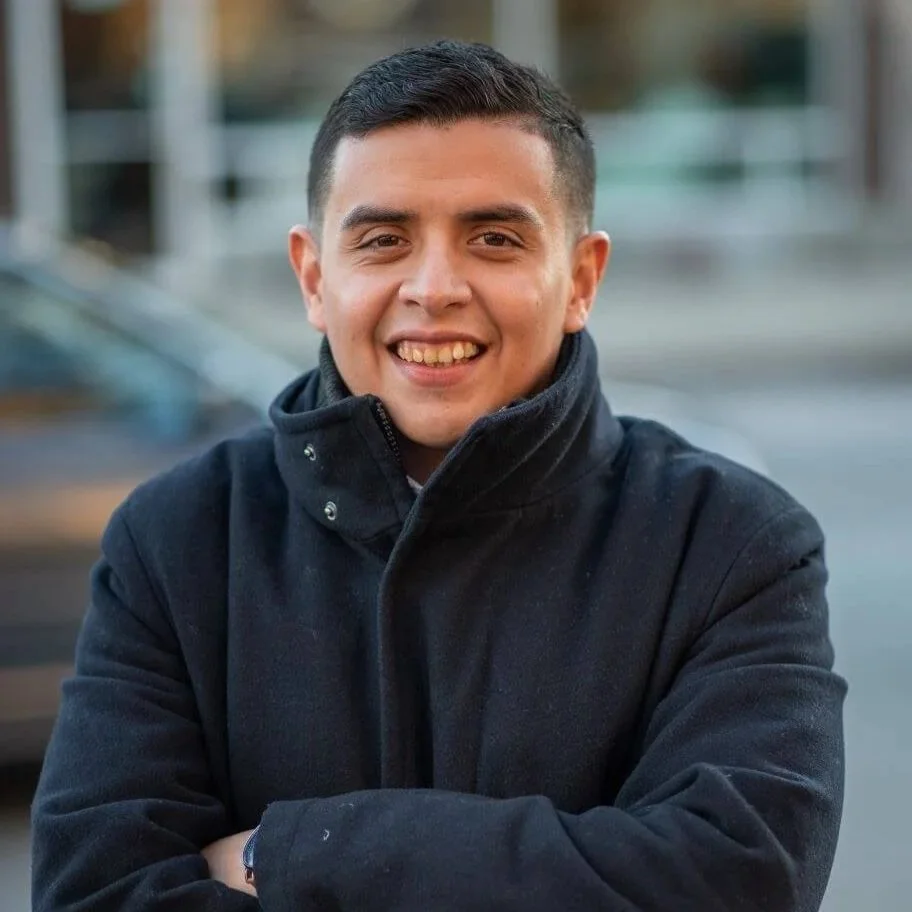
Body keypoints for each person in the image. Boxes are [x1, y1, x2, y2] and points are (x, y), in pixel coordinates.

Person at [31, 40, 846, 911]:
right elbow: (95, 890)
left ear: (581, 278)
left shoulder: (731, 544)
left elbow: (739, 880)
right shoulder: (176, 538)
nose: (434, 287)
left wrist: (290, 852)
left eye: (494, 239)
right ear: (314, 276)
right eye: (384, 240)